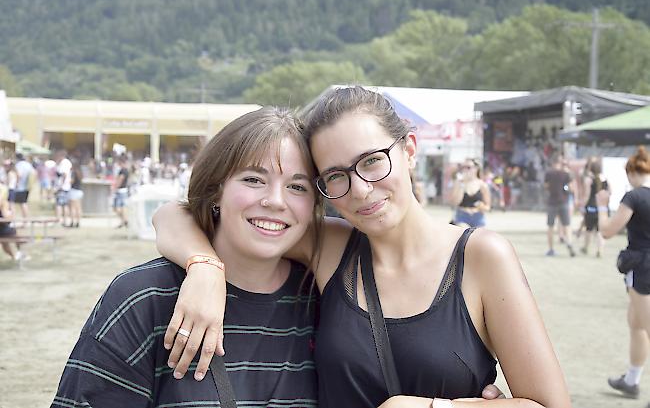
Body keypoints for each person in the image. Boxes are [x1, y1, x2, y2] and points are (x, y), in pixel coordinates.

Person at [153, 87, 570, 408]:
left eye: (372, 161)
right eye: (336, 176)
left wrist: (432, 406)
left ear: (408, 149)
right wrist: (205, 268)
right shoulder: (331, 248)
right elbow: (179, 212)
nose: (361, 189)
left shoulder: (482, 256)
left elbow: (550, 404)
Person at [51, 107, 321, 407]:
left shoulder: (323, 299)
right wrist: (205, 266)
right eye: (253, 180)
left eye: (297, 187)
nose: (275, 201)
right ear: (216, 189)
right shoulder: (146, 296)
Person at [596, 146, 650, 400]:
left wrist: (602, 207)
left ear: (631, 172)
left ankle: (632, 379)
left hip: (643, 268)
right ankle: (632, 379)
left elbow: (607, 230)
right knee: (636, 323)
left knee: (645, 325)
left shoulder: (635, 197)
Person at [544, 155, 576, 257]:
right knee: (567, 225)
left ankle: (551, 249)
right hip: (564, 201)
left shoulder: (548, 174)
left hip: (552, 202)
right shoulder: (566, 174)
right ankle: (569, 243)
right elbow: (571, 188)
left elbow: (546, 186)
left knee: (550, 226)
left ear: (553, 163)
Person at [449, 159, 490, 227]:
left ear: (476, 169)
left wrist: (482, 206)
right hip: (462, 216)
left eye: (468, 167)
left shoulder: (482, 185)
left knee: (478, 235)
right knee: (464, 231)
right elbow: (455, 203)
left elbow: (488, 207)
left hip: (478, 216)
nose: (465, 170)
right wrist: (462, 185)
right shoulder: (458, 183)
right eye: (463, 167)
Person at [580, 158, 608, 257]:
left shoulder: (589, 180)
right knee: (600, 231)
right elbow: (610, 192)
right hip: (602, 209)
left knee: (589, 229)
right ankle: (600, 250)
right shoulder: (605, 179)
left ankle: (586, 247)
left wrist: (582, 206)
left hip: (591, 207)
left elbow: (586, 195)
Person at [0, 182, 23, 261]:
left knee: (5, 243)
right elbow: (6, 218)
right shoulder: (3, 203)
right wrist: (12, 214)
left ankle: (15, 256)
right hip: (3, 230)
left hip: (2, 230)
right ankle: (19, 253)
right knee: (16, 235)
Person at [54, 150, 72, 226]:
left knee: (59, 205)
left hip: (62, 187)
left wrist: (60, 185)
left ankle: (59, 220)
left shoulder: (64, 163)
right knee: (65, 204)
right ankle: (65, 220)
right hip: (67, 186)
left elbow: (64, 174)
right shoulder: (68, 163)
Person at [14, 153, 34, 218]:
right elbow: (34, 174)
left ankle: (22, 219)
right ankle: (25, 220)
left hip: (19, 187)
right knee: (24, 203)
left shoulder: (19, 165)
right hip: (26, 187)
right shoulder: (28, 164)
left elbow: (19, 175)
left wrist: (16, 183)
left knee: (15, 204)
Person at [112, 157, 130, 228]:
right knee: (122, 208)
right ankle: (124, 221)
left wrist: (115, 187)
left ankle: (124, 220)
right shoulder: (126, 170)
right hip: (124, 190)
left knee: (116, 207)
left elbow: (120, 179)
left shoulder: (122, 171)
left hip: (120, 191)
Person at [66, 161, 84, 228]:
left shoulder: (73, 172)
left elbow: (72, 181)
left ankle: (72, 222)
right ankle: (78, 222)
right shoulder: (80, 172)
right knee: (78, 208)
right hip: (79, 191)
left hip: (74, 190)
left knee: (72, 208)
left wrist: (68, 181)